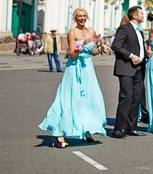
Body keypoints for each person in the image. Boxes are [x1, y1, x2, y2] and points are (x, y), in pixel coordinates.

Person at [40, 8, 109, 148]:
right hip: (74, 68)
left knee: (90, 98)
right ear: (75, 18)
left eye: (84, 16)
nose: (82, 18)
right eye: (79, 16)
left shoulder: (92, 31)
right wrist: (82, 43)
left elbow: (93, 51)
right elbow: (71, 54)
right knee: (69, 98)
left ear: (87, 17)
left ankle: (86, 128)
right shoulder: (73, 32)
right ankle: (58, 133)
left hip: (88, 68)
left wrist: (101, 48)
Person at [110, 7, 149, 138]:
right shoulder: (124, 28)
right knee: (126, 96)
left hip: (139, 68)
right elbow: (116, 46)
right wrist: (131, 55)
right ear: (134, 15)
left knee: (136, 97)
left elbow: (139, 47)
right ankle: (118, 128)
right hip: (126, 67)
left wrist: (146, 54)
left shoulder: (140, 32)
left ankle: (130, 127)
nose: (144, 15)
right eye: (142, 13)